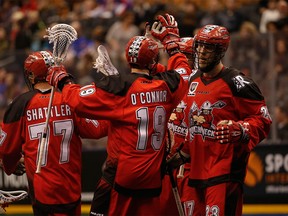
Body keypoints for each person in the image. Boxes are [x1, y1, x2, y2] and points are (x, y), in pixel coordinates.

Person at [46, 13, 190, 215]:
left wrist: (63, 80)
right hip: (153, 177)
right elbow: (183, 71)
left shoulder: (119, 86)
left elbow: (77, 100)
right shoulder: (168, 84)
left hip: (123, 176)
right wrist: (172, 43)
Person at [168, 24, 272, 216]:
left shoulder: (237, 83)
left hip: (224, 173)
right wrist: (181, 154)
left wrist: (241, 129)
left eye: (208, 47)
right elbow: (194, 125)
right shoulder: (193, 81)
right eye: (199, 46)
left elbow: (263, 119)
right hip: (196, 173)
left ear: (221, 50)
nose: (201, 52)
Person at [0, 51, 109, 216]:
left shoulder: (20, 104)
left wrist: (10, 165)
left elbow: (6, 150)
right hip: (71, 189)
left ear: (31, 76)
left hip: (43, 191)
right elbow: (97, 129)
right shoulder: (71, 99)